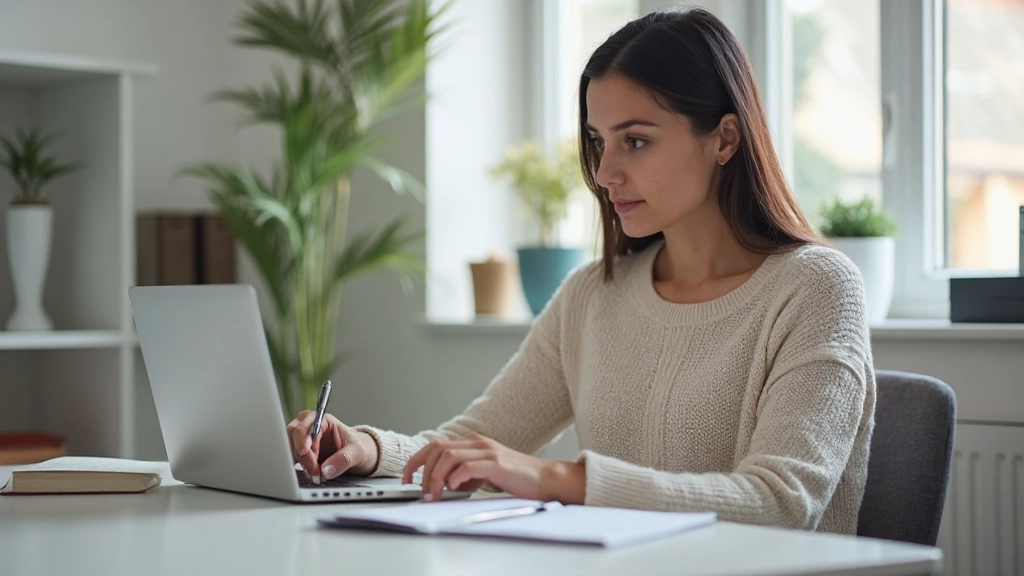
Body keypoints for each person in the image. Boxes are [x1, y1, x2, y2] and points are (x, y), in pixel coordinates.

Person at [287, 7, 874, 534]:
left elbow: (781, 503)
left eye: (636, 142)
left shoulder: (817, 288)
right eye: (598, 141)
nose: (605, 172)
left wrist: (559, 480)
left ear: (724, 138)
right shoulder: (593, 295)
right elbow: (478, 441)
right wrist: (364, 449)